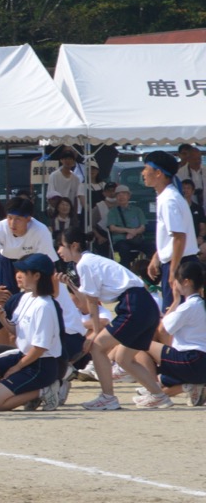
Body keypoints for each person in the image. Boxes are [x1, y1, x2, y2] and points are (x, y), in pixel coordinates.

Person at [56, 226, 162, 411]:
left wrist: (97, 334)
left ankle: (108, 397)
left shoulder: (84, 263)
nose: (58, 251)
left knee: (97, 348)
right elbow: (89, 299)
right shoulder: (90, 261)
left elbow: (91, 303)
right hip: (144, 306)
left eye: (61, 246)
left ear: (74, 245)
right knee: (123, 358)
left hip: (134, 306)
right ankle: (158, 395)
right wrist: (71, 285)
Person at [0, 253, 63, 412]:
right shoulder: (26, 297)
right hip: (24, 356)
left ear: (37, 276)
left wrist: (16, 368)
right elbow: (17, 330)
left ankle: (44, 390)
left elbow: (40, 348)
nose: (17, 276)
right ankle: (21, 389)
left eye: (23, 272)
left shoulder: (44, 306)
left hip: (40, 365)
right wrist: (3, 319)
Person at [0, 196, 55, 344]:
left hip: (33, 265)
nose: (12, 224)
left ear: (29, 219)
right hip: (7, 262)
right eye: (9, 218)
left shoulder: (40, 231)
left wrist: (49, 293)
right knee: (3, 307)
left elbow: (50, 265)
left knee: (34, 304)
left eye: (18, 219)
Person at [134, 260, 206, 405]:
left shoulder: (189, 306)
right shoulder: (200, 303)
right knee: (166, 379)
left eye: (176, 281)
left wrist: (175, 301)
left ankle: (154, 391)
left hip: (192, 359)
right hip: (200, 362)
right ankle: (185, 387)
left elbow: (163, 329)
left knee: (140, 343)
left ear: (186, 282)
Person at [144, 149, 201, 311]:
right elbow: (171, 236)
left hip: (181, 263)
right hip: (178, 261)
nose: (143, 173)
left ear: (158, 173)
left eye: (146, 168)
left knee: (174, 316)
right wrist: (157, 256)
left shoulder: (169, 199)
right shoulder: (167, 196)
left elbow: (179, 237)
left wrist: (173, 271)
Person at [107, 184, 152, 266]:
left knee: (151, 247)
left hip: (136, 239)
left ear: (129, 196)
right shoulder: (113, 212)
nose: (121, 196)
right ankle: (126, 271)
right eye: (118, 194)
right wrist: (128, 230)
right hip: (121, 240)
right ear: (116, 197)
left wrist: (134, 233)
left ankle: (148, 270)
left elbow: (142, 227)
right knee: (124, 249)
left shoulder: (137, 210)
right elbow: (112, 228)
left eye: (124, 194)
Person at [178, 143, 205, 212]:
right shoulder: (180, 173)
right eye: (194, 159)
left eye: (199, 158)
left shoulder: (204, 170)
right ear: (188, 159)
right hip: (189, 209)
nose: (197, 161)